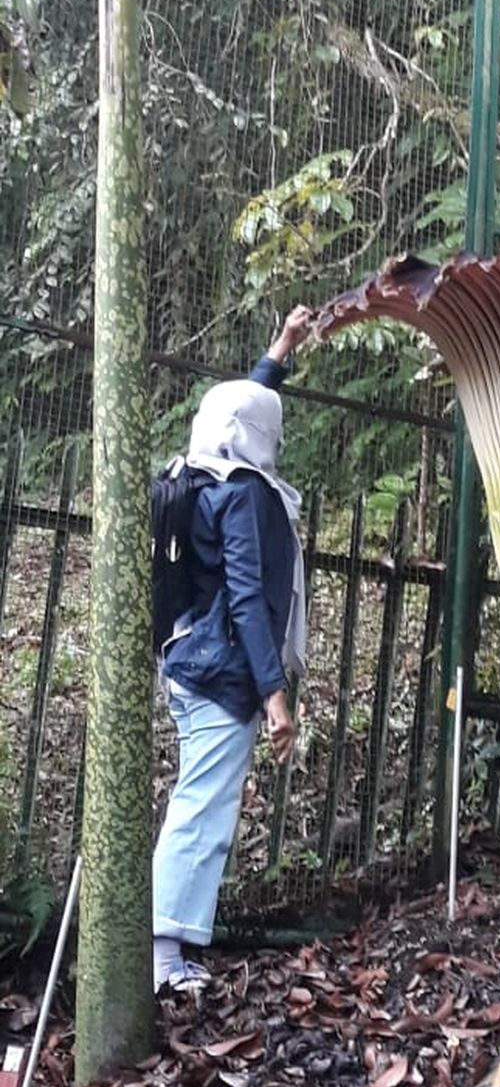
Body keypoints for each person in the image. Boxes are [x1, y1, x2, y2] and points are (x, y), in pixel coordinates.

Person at [152, 305, 314, 993]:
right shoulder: (246, 495)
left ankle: (173, 951)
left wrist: (280, 348)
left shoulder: (200, 472)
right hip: (222, 671)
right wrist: (274, 693)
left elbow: (240, 410)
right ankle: (162, 960)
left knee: (203, 803)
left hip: (189, 657)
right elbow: (248, 596)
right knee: (202, 811)